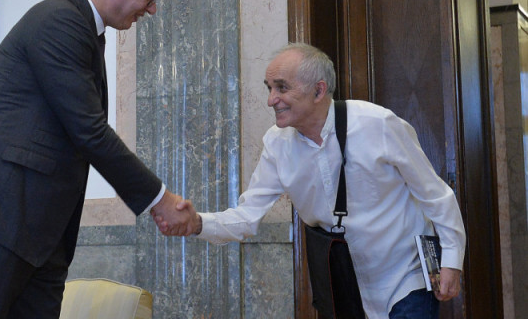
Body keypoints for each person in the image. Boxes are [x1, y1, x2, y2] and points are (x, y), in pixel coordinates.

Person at [0, 0, 197, 319]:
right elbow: (89, 131)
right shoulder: (59, 20)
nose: (153, 8)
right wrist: (160, 199)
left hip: (38, 233)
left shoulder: (83, 29)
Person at [153, 43, 466, 318]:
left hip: (406, 276)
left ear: (318, 90)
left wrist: (451, 260)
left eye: (281, 88)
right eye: (269, 88)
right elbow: (247, 217)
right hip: (343, 285)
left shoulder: (378, 124)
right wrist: (197, 223)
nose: (271, 100)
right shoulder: (276, 144)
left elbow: (435, 195)